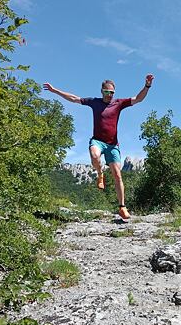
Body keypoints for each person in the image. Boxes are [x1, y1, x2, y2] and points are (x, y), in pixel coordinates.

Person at [43, 74, 154, 220]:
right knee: (94, 155)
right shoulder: (94, 102)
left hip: (113, 145)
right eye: (107, 92)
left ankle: (122, 207)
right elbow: (74, 98)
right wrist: (55, 91)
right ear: (102, 91)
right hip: (98, 141)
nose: (109, 95)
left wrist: (147, 86)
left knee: (117, 175)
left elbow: (138, 99)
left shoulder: (119, 103)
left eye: (112, 93)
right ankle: (100, 173)